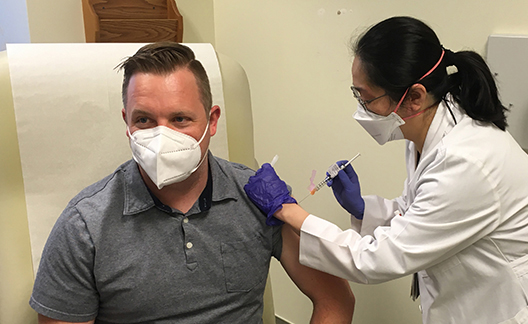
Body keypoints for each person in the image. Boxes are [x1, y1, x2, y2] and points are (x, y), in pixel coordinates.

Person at [244, 16, 528, 323]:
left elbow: (374, 259)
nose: (362, 109)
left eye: (366, 98)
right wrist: (364, 209)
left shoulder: (466, 159)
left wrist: (286, 209)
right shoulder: (431, 130)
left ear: (414, 96)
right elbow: (418, 212)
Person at [30, 42, 354, 324]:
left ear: (212, 121)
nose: (161, 136)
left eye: (179, 119)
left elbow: (335, 301)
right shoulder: (84, 225)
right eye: (144, 120)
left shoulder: (259, 198)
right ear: (127, 124)